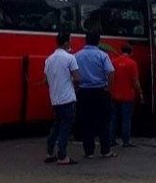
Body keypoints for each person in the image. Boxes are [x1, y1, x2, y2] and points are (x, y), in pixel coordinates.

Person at [75, 30, 117, 159]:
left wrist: (77, 88)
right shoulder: (102, 55)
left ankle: (89, 152)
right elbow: (110, 73)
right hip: (100, 92)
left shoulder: (77, 55)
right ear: (98, 41)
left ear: (85, 40)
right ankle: (105, 151)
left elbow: (74, 75)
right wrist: (108, 88)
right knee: (103, 122)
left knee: (86, 122)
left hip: (83, 92)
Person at [44, 32, 80, 165]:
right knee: (66, 127)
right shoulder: (70, 58)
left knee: (57, 125)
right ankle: (62, 155)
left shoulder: (49, 59)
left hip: (55, 98)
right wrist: (75, 89)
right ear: (66, 43)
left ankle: (49, 152)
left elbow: (46, 81)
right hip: (67, 98)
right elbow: (77, 78)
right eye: (70, 41)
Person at [110, 43, 144, 148]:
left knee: (113, 118)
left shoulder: (114, 62)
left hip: (115, 94)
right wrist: (141, 93)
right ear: (131, 52)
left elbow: (110, 77)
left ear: (121, 50)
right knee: (126, 119)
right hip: (128, 95)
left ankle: (111, 140)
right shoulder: (132, 63)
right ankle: (126, 141)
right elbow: (135, 81)